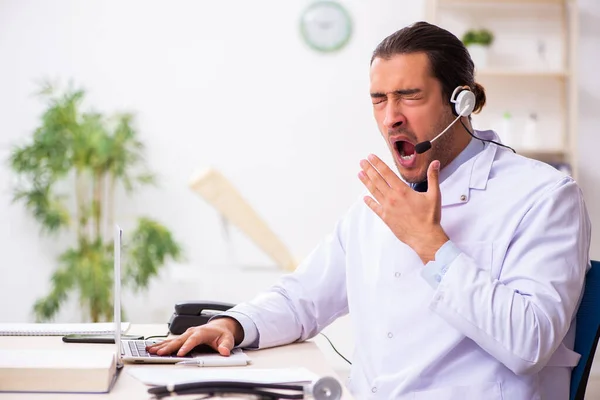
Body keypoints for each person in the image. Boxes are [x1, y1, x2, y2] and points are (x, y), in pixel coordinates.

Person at [148, 21, 591, 399]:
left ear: (463, 102)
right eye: (379, 99)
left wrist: (430, 244)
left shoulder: (544, 196)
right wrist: (234, 324)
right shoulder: (384, 200)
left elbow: (530, 342)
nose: (390, 118)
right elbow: (302, 298)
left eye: (409, 96)